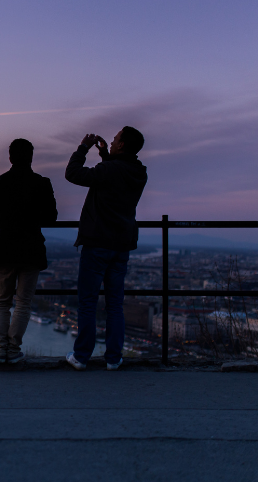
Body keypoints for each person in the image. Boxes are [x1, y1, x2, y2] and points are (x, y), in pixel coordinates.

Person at [64, 127, 148, 371]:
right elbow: (116, 176)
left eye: (115, 139)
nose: (111, 140)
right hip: (122, 244)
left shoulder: (110, 170)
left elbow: (73, 174)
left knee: (88, 302)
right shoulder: (139, 172)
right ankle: (113, 358)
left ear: (121, 145)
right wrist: (105, 156)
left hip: (98, 242)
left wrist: (83, 148)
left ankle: (81, 356)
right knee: (115, 304)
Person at [0, 139, 58, 363]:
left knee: (2, 301)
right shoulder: (42, 183)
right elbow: (51, 217)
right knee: (23, 302)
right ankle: (13, 349)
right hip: (31, 249)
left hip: (6, 248)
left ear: (10, 157)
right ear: (31, 157)